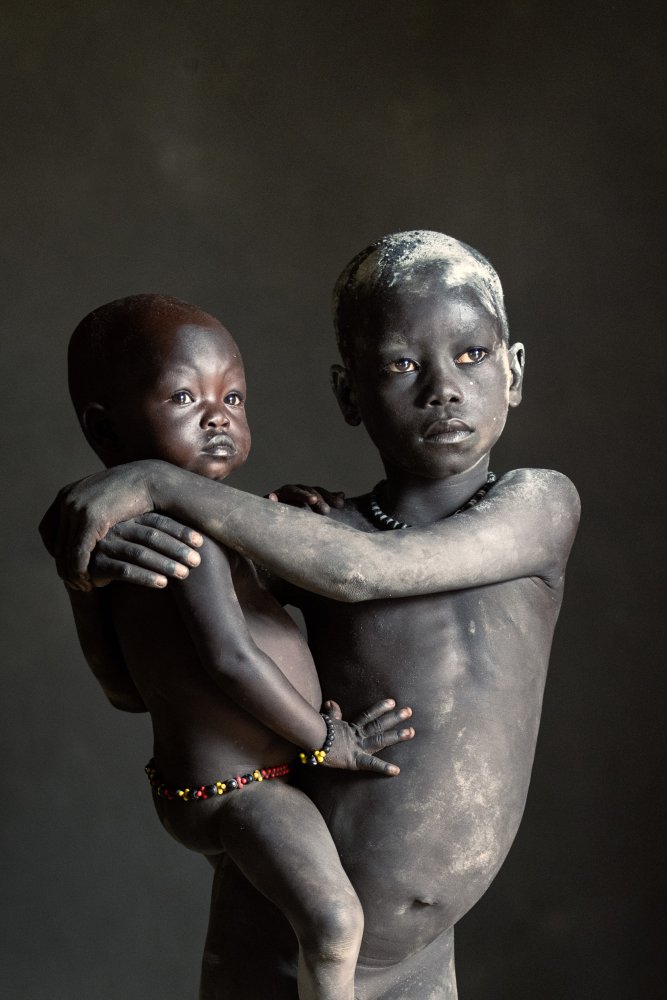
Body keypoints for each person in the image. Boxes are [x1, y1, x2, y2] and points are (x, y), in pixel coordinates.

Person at [43, 232, 580, 999]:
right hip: (282, 932)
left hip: (420, 955)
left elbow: (361, 572)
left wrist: (157, 481)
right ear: (347, 395)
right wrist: (88, 557)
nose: (443, 388)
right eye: (400, 364)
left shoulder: (535, 505)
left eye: (472, 355)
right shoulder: (304, 531)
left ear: (514, 370)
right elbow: (159, 674)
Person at [60, 293, 415, 1000]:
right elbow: (230, 657)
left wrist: (284, 530)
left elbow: (123, 691)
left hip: (194, 785)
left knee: (263, 938)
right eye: (184, 396)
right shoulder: (183, 538)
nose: (216, 415)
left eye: (233, 395)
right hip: (247, 789)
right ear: (106, 431)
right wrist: (324, 738)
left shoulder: (135, 545)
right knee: (335, 922)